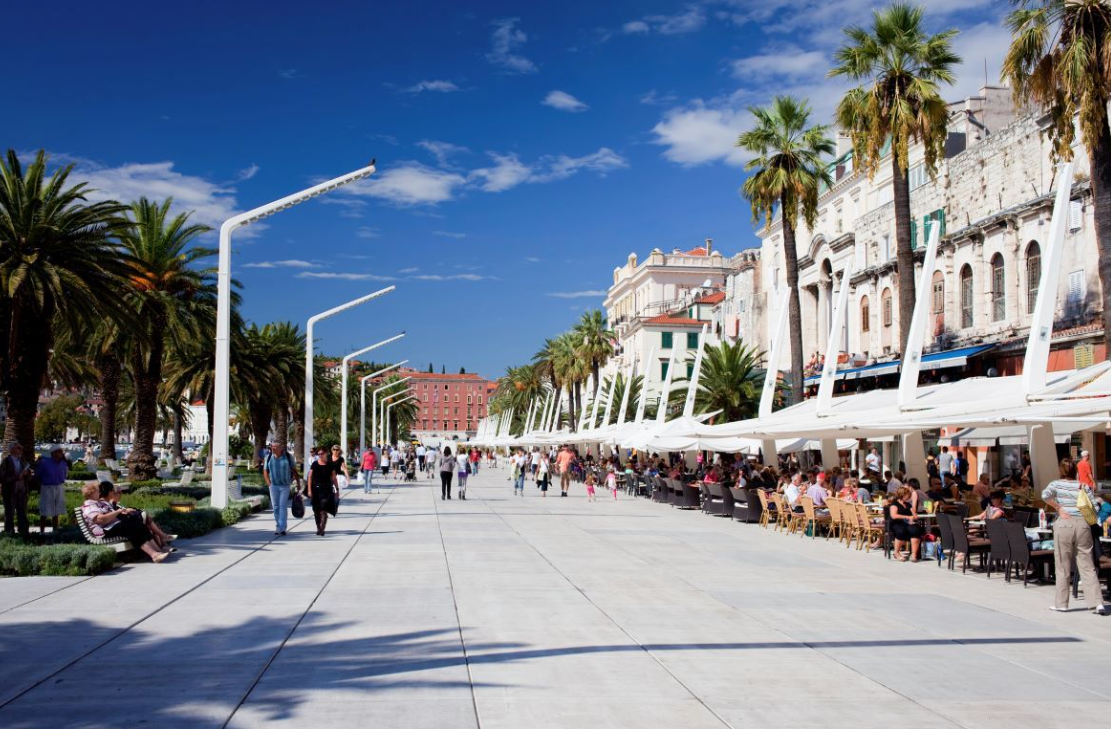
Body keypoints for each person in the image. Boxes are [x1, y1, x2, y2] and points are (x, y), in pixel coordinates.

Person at [1043, 458, 1108, 614]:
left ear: (1061, 471)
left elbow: (1045, 495)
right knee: (1087, 564)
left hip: (1064, 523)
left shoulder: (1056, 484)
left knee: (1062, 565)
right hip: (1083, 524)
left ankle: (1062, 604)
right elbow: (1094, 506)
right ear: (1075, 471)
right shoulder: (1083, 485)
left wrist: (1059, 508)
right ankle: (1097, 602)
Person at [80, 481, 168, 561]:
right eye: (98, 491)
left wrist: (122, 512)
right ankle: (154, 555)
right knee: (131, 528)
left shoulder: (96, 503)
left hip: (111, 526)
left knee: (138, 524)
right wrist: (117, 512)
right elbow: (101, 519)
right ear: (92, 493)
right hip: (105, 531)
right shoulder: (89, 507)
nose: (100, 493)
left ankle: (158, 550)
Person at [103, 481, 176, 551]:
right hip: (125, 524)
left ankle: (163, 545)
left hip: (129, 521)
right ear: (113, 494)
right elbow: (118, 515)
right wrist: (126, 510)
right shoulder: (111, 504)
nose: (121, 494)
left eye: (121, 492)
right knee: (147, 519)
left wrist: (127, 510)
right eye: (119, 492)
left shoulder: (116, 503)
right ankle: (163, 540)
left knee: (149, 525)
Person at [263, 442, 300, 536]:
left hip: (285, 486)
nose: (273, 448)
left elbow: (294, 470)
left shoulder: (287, 457)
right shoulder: (268, 457)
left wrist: (298, 483)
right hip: (273, 486)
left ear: (281, 448)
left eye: (275, 446)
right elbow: (265, 471)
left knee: (282, 506)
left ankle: (282, 528)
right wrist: (269, 484)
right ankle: (279, 526)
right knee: (275, 507)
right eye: (272, 446)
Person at [35, 446, 70, 536]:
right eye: (59, 451)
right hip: (47, 488)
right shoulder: (44, 463)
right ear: (53, 453)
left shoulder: (63, 463)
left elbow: (65, 475)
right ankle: (42, 532)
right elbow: (37, 475)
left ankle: (55, 531)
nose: (61, 453)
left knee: (57, 511)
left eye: (61, 452)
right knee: (45, 510)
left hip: (59, 487)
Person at [1, 443, 32, 538]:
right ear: (12, 450)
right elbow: (2, 478)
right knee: (9, 513)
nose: (21, 450)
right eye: (18, 448)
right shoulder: (6, 461)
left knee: (22, 513)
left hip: (22, 491)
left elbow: (29, 477)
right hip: (10, 492)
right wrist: (16, 477)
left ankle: (23, 532)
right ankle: (9, 533)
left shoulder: (23, 461)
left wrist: (27, 474)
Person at [307, 448, 339, 536]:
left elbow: (334, 478)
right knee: (316, 510)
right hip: (316, 489)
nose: (320, 455)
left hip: (327, 489)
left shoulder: (330, 464)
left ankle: (322, 528)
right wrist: (309, 490)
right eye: (319, 454)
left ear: (326, 454)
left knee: (323, 508)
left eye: (322, 453)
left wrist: (337, 489)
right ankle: (318, 527)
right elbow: (310, 477)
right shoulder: (314, 464)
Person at [888, 485, 924, 562]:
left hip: (907, 523)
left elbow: (915, 516)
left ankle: (914, 554)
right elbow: (893, 515)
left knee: (915, 530)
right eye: (908, 495)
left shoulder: (908, 504)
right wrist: (907, 517)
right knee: (900, 531)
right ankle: (896, 552)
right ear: (902, 495)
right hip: (896, 523)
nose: (909, 497)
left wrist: (912, 518)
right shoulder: (894, 504)